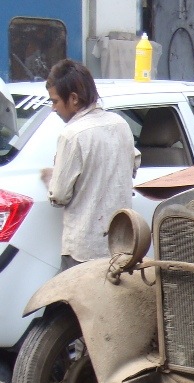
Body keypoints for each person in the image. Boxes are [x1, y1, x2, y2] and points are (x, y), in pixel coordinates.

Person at [41, 59, 140, 271]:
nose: (53, 108)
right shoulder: (120, 124)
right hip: (119, 245)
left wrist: (51, 178)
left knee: (70, 302)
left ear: (74, 99)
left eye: (56, 101)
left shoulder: (72, 135)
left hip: (83, 250)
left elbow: (59, 196)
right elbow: (133, 166)